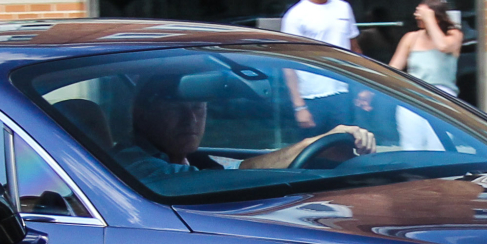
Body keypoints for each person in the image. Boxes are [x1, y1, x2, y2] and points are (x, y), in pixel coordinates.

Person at [119, 74, 373, 182]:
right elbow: (214, 181)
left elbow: (236, 168)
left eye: (198, 108)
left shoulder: (191, 159)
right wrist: (308, 145)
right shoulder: (132, 164)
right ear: (142, 113)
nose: (191, 120)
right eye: (175, 108)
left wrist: (323, 152)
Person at [279, 0, 362, 134]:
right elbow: (289, 64)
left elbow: (354, 50)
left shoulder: (343, 8)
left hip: (342, 92)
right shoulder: (296, 15)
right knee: (314, 152)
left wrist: (363, 87)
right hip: (311, 96)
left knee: (345, 149)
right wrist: (299, 106)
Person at [389, 0, 461, 92]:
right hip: (415, 92)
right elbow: (394, 69)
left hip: (443, 92)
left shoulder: (453, 34)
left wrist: (429, 18)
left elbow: (443, 46)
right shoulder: (411, 37)